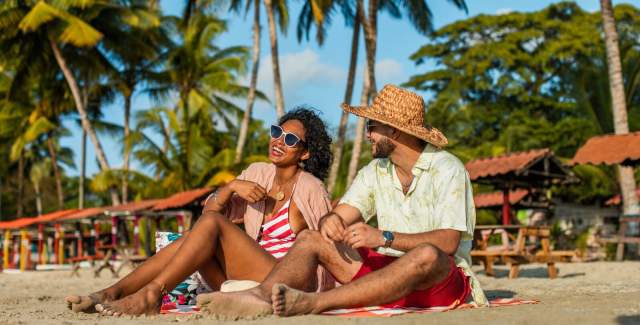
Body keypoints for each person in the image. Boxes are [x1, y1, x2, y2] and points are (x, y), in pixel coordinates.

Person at [198, 84, 488, 318]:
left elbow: (448, 242)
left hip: (438, 280)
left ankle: (314, 303)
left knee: (427, 254)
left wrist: (383, 237)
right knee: (311, 238)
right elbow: (340, 215)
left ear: (394, 131)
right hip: (385, 273)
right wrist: (331, 221)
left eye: (372, 126)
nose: (367, 134)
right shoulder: (375, 171)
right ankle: (260, 298)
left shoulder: (448, 168)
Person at [65, 107, 334, 316]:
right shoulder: (257, 173)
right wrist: (230, 188)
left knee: (212, 226)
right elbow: (208, 214)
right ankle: (111, 292)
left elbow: (327, 248)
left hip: (286, 283)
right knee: (196, 237)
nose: (278, 141)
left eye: (289, 139)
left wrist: (316, 298)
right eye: (276, 132)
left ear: (305, 154)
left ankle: (150, 296)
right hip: (243, 280)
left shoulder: (311, 189)